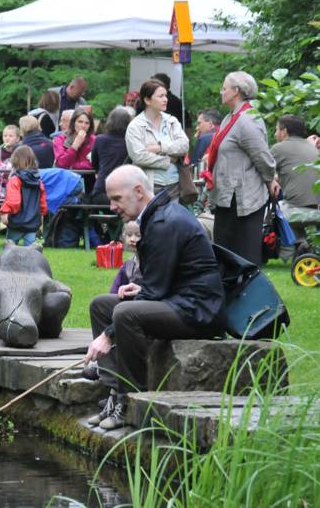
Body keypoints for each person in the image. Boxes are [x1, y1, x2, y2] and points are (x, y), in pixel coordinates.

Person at [85, 165, 225, 430]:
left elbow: (156, 291)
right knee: (102, 304)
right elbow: (160, 281)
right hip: (177, 299)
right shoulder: (156, 216)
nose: (113, 207)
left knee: (125, 314)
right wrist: (140, 289)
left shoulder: (164, 222)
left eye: (117, 199)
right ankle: (114, 393)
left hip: (198, 311)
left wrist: (107, 335)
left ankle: (132, 400)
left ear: (138, 191)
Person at [203, 71, 275, 266]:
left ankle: (248, 294)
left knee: (243, 254)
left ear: (236, 91)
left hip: (243, 198)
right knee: (226, 251)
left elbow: (262, 155)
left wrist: (270, 179)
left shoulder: (247, 119)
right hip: (229, 195)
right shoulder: (231, 117)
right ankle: (229, 292)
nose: (221, 92)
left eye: (224, 88)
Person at [125, 79, 189, 199]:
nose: (166, 99)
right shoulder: (135, 126)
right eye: (161, 96)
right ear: (147, 100)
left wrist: (160, 147)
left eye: (165, 95)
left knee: (173, 218)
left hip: (174, 184)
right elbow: (139, 157)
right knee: (153, 218)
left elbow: (184, 145)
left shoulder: (171, 121)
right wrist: (168, 160)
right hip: (149, 186)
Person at [270, 115, 320, 241]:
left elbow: (264, 171)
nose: (275, 134)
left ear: (284, 131)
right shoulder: (312, 148)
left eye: (277, 130)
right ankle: (302, 246)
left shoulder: (279, 148)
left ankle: (287, 249)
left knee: (268, 213)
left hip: (295, 209)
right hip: (316, 207)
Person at [0, 146, 47, 246]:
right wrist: (42, 214)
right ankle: (33, 261)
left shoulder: (15, 179)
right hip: (32, 222)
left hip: (17, 221)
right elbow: (42, 202)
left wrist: (4, 212)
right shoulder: (38, 181)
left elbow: (13, 201)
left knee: (10, 247)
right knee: (31, 250)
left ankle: (10, 261)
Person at [90, 107, 131, 205]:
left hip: (101, 190)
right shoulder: (130, 142)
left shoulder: (100, 139)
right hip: (124, 193)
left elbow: (94, 163)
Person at [109, 220, 142, 294]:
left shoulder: (153, 263)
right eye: (129, 235)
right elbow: (114, 290)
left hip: (147, 301)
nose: (132, 239)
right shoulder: (128, 264)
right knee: (100, 300)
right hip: (129, 299)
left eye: (138, 235)